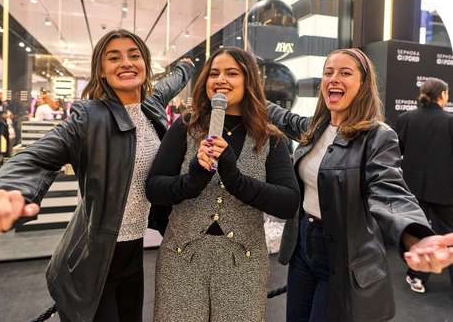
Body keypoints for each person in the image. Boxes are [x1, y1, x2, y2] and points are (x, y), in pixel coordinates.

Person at [0, 29, 195, 322]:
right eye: (114, 57)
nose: (126, 63)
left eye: (134, 55)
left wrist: (186, 67)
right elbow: (34, 157)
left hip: (134, 251)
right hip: (92, 259)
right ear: (101, 71)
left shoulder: (151, 105)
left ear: (145, 63)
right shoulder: (88, 116)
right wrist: (8, 191)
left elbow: (171, 82)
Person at [267, 48, 453, 322]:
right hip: (302, 248)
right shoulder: (315, 127)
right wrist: (247, 94)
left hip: (342, 255)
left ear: (363, 84)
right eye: (328, 73)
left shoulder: (377, 137)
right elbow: (281, 116)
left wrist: (416, 237)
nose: (334, 79)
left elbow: (389, 191)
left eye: (345, 73)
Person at [145, 46, 300, 322]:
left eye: (232, 73)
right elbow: (155, 188)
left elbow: (288, 202)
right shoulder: (186, 126)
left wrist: (236, 179)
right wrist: (191, 181)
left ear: (248, 80)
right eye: (214, 73)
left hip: (244, 263)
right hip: (182, 258)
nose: (220, 80)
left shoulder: (271, 137)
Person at [395, 78, 453, 293]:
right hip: (445, 188)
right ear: (443, 95)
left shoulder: (405, 118)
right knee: (449, 234)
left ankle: (416, 276)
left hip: (413, 187)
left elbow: (395, 152)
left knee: (419, 233)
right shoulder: (450, 121)